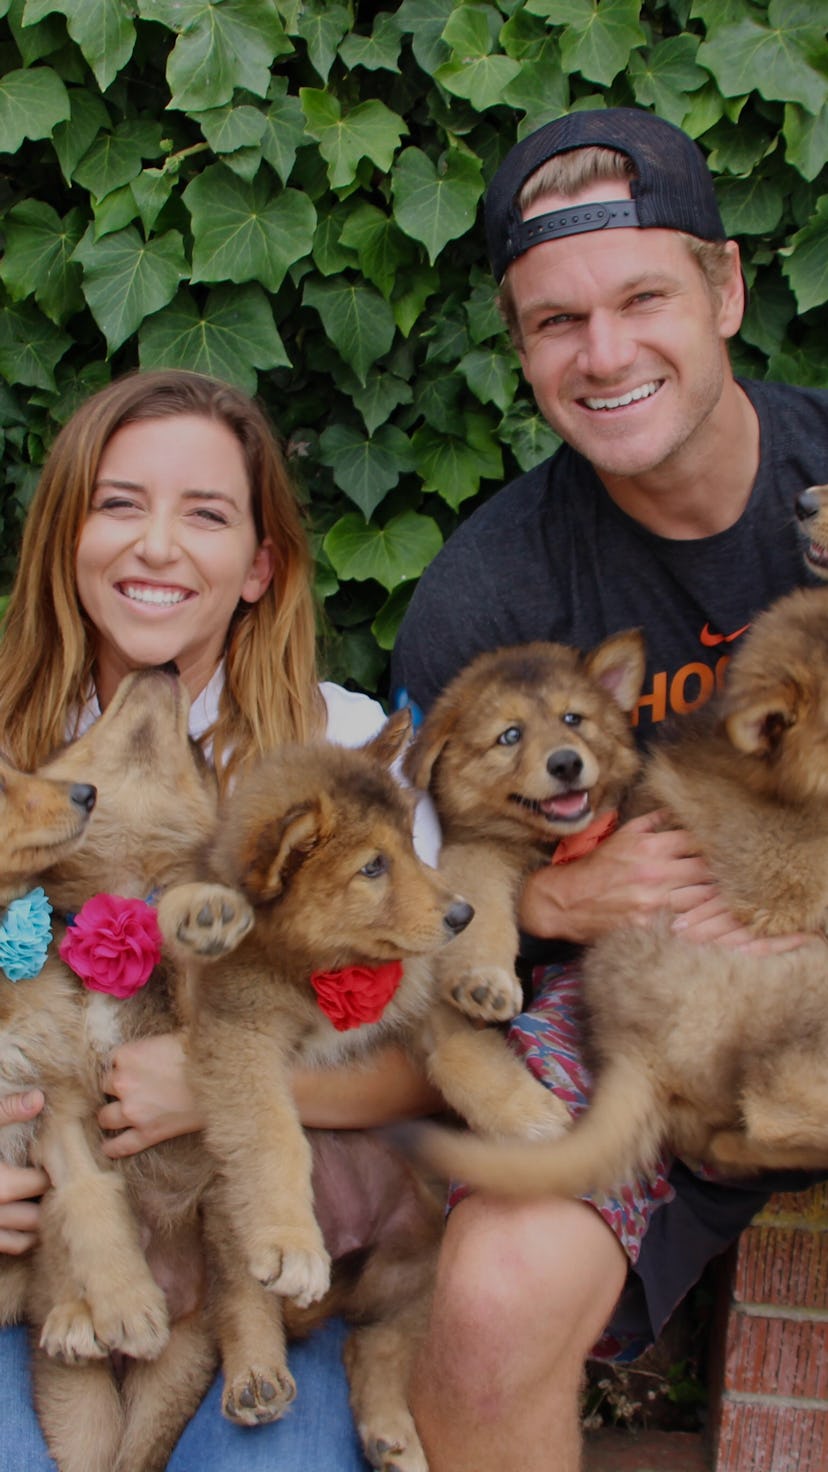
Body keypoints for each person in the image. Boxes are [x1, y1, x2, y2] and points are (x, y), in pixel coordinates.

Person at [391, 107, 828, 1472]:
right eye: (556, 321)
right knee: (484, 1318)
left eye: (644, 296)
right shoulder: (487, 595)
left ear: (728, 288)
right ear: (521, 350)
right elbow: (409, 908)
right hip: (652, 1025)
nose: (606, 353)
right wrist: (564, 894)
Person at [0, 368, 440, 1470]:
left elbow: (421, 1062)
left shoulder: (341, 752)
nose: (156, 545)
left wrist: (234, 1084)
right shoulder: (11, 746)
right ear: (64, 535)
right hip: (40, 1258)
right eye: (118, 503)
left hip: (243, 1251)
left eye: (204, 514)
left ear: (260, 566)